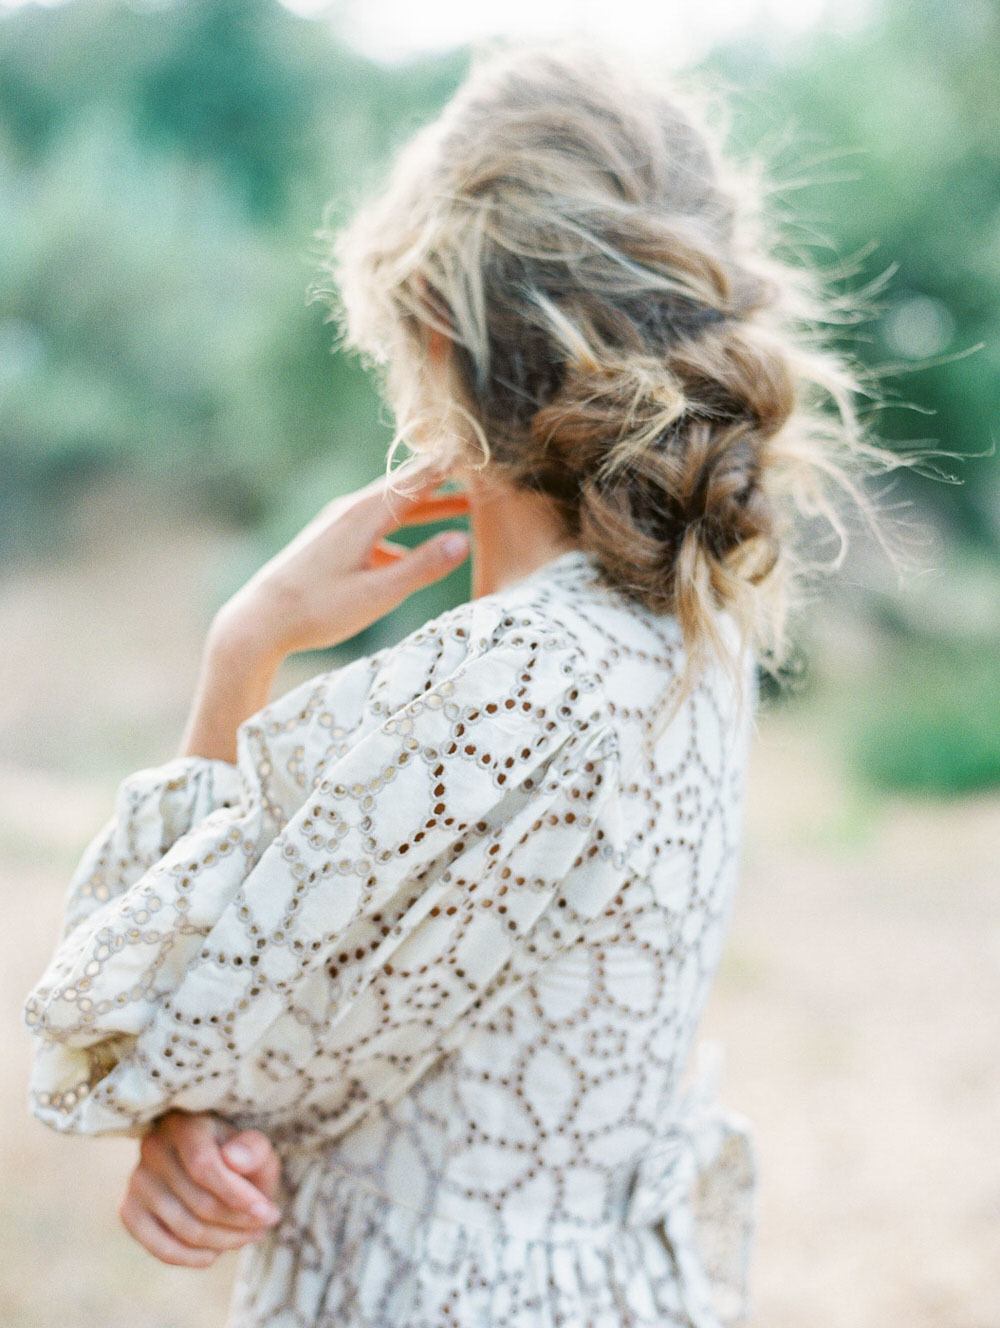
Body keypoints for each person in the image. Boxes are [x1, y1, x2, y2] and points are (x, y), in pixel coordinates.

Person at [22, 38, 919, 1328]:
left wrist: (245, 646)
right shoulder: (694, 631)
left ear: (433, 326)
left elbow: (129, 1028)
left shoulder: (509, 686)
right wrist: (194, 1110)